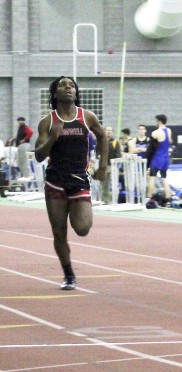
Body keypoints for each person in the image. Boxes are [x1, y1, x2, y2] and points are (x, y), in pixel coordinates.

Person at [34, 76, 108, 290]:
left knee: (83, 228)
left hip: (79, 181)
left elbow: (102, 137)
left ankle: (69, 271)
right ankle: (69, 274)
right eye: (62, 85)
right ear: (55, 94)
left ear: (76, 93)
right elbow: (39, 155)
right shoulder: (48, 122)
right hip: (55, 182)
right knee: (59, 232)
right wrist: (52, 138)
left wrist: (102, 166)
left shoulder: (87, 117)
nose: (68, 88)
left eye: (71, 85)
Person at [146, 114, 172, 204]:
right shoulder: (169, 131)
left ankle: (149, 198)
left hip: (157, 158)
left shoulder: (155, 133)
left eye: (156, 121)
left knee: (152, 178)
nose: (156, 123)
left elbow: (151, 149)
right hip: (166, 158)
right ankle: (168, 199)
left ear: (159, 121)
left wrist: (147, 161)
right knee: (164, 178)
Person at [98, 126, 122, 204]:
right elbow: (97, 152)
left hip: (113, 166)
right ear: (104, 131)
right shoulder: (100, 141)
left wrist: (116, 162)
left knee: (113, 183)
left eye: (111, 131)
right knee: (104, 184)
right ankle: (106, 200)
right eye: (107, 130)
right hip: (103, 166)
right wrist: (98, 156)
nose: (109, 132)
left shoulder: (115, 142)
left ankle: (114, 200)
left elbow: (118, 154)